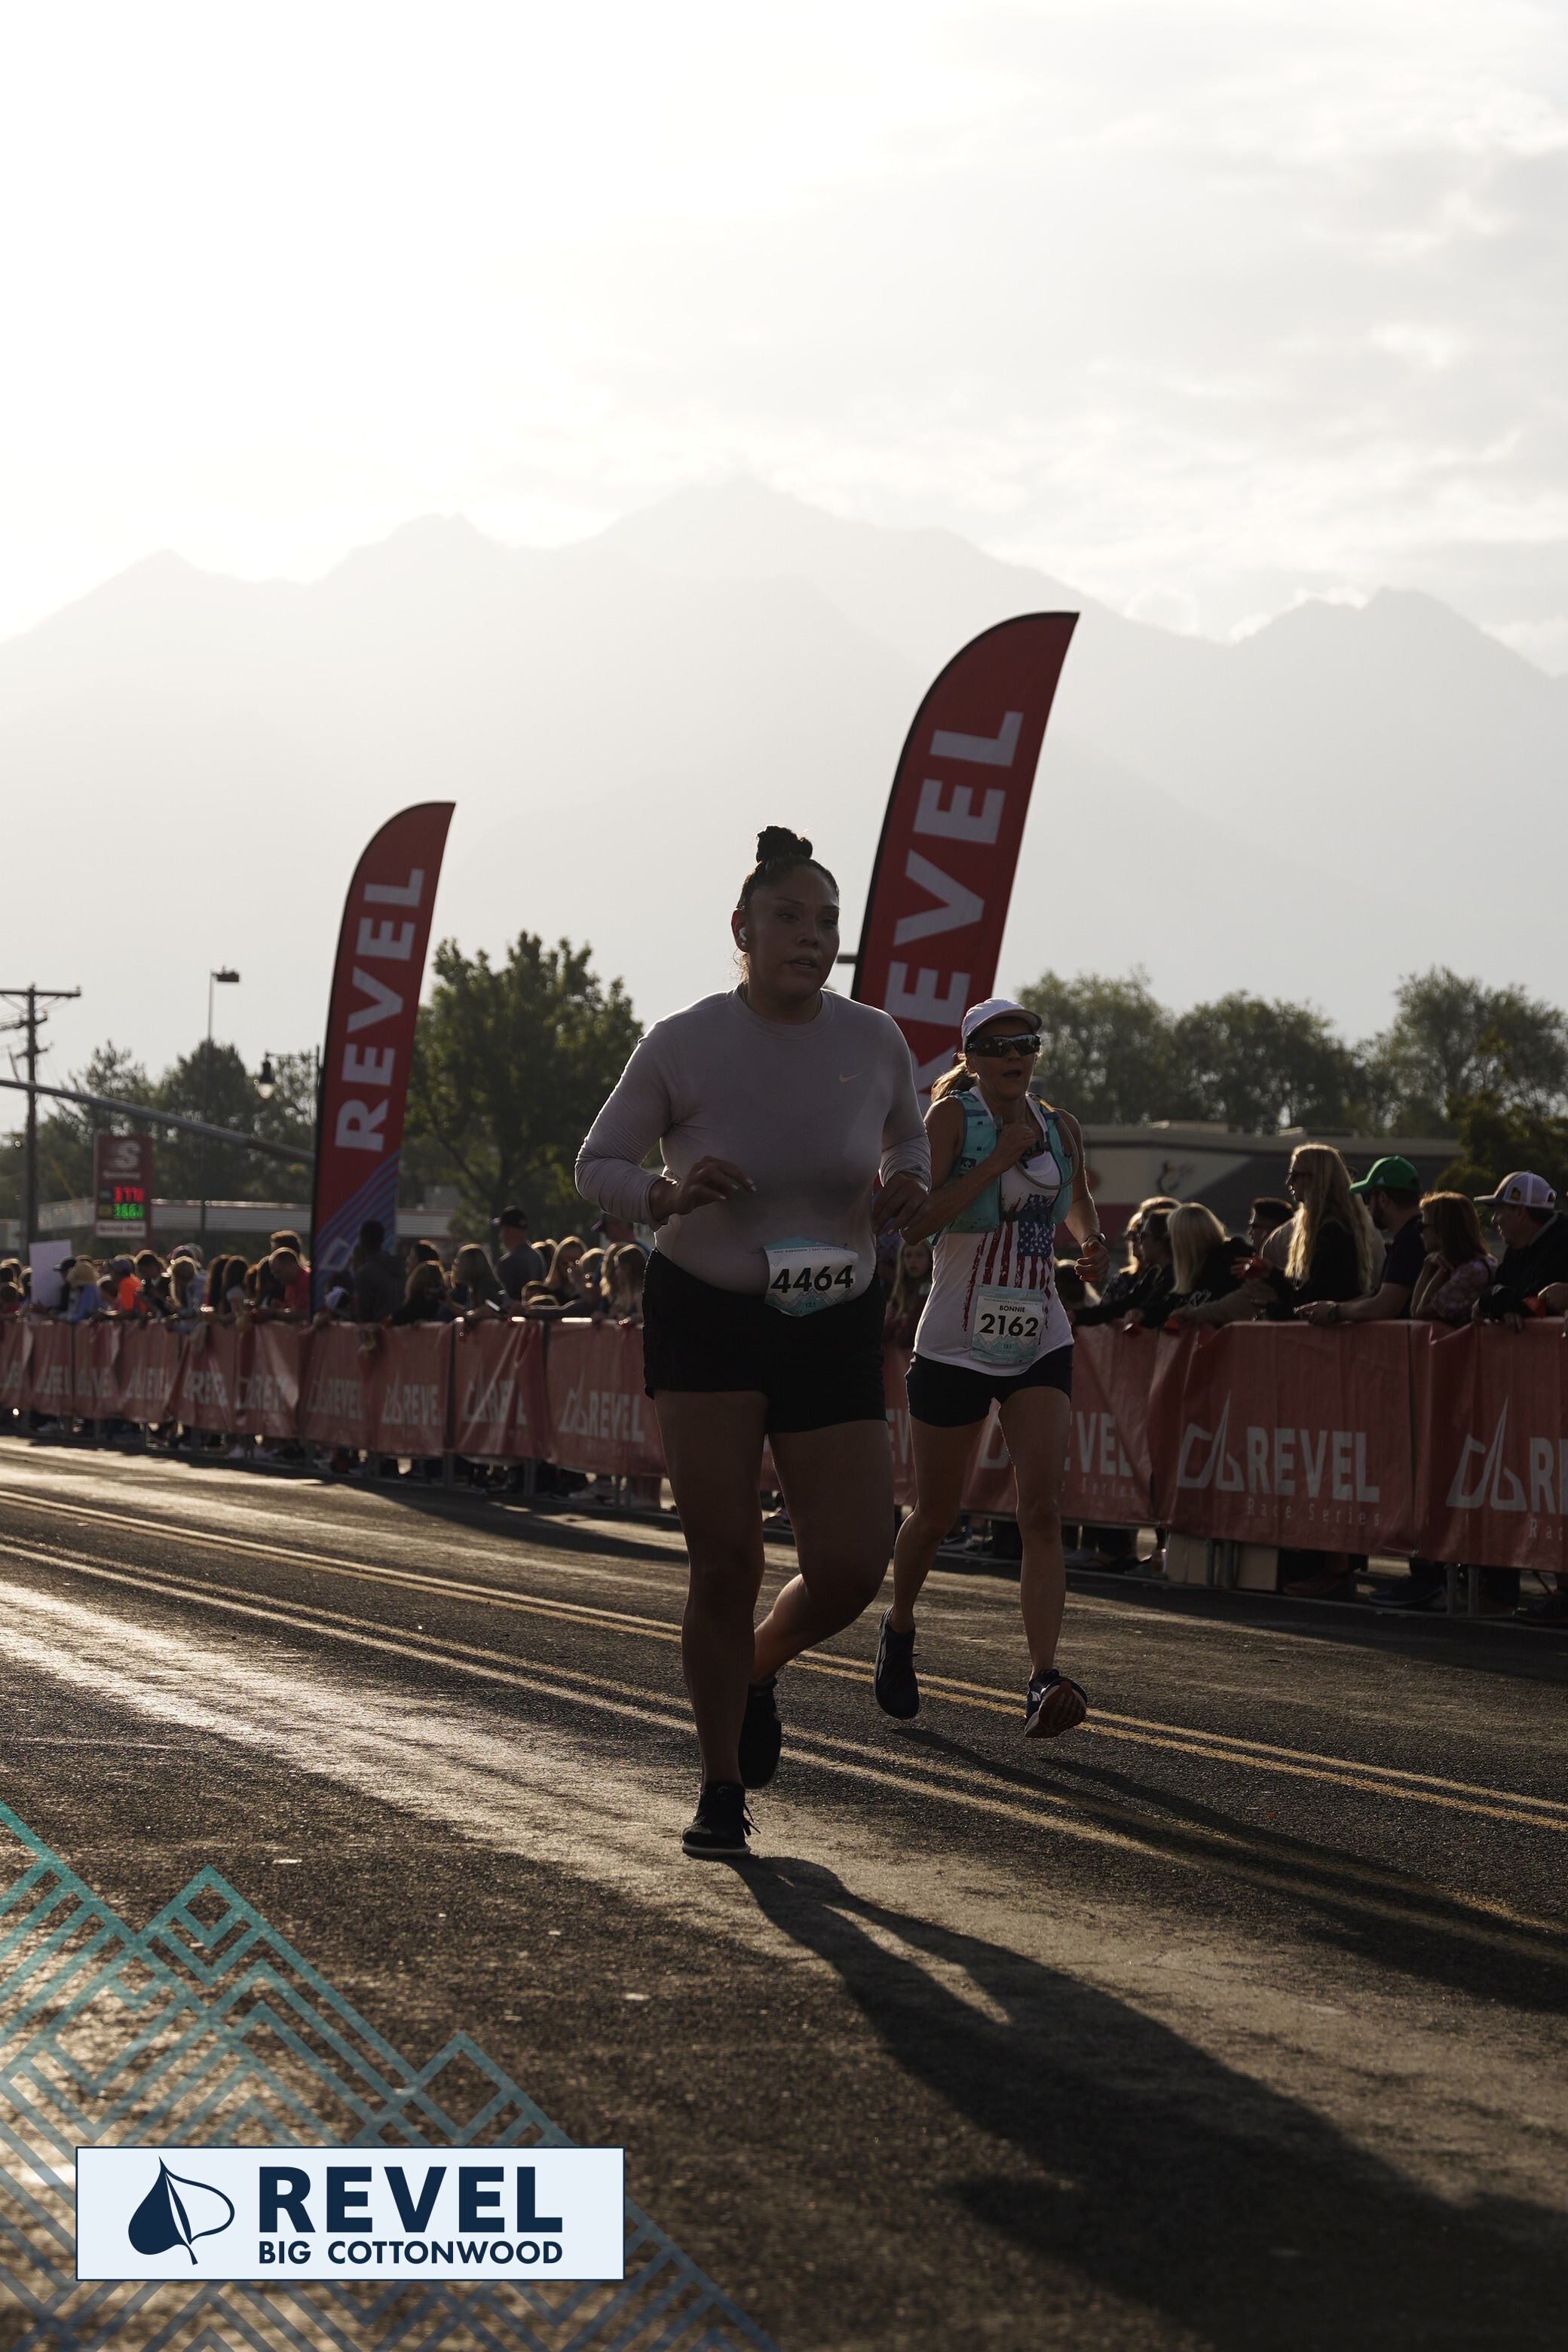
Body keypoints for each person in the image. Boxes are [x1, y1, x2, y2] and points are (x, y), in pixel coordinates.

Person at [575, 824, 929, 1859]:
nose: (812, 937)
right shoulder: (684, 1041)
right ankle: (721, 1785)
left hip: (834, 1318)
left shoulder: (874, 1039)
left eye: (827, 921)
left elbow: (909, 1135)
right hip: (711, 1313)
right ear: (742, 928)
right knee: (725, 1559)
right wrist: (665, 1193)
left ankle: (758, 1666)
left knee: (853, 1565)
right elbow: (597, 1162)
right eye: (788, 917)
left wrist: (907, 1179)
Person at [871, 1000, 1110, 1740]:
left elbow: (1077, 1201)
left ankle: (1042, 1679)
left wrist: (1092, 1243)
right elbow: (915, 1224)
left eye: (1026, 1044)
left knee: (1041, 1510)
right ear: (971, 1057)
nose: (1015, 1056)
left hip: (1040, 1335)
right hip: (954, 1341)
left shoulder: (1059, 1124)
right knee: (936, 1515)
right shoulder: (951, 1119)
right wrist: (999, 1161)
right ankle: (899, 1625)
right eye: (998, 1046)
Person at [1296, 1155, 1426, 1326]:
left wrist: (1335, 1312)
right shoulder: (1420, 1234)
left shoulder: (1409, 1242)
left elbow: (1384, 1306)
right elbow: (1379, 1295)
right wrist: (1331, 1307)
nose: (1367, 1206)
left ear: (1383, 1199)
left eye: (1367, 1196)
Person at [1469, 1172, 1568, 1323]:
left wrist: (1497, 1301)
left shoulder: (1562, 1243)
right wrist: (1505, 1307)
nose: (1494, 1220)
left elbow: (1538, 1306)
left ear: (1521, 1212)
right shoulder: (1518, 1247)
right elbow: (1496, 1290)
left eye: (1498, 1211)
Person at [1410, 1193, 1495, 1325]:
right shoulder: (1470, 1264)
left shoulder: (1471, 1271)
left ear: (1441, 1229)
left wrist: (1428, 1268)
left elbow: (1419, 1313)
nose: (1420, 1232)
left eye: (1422, 1226)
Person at [1165, 1202, 1249, 1314]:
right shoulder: (1200, 1268)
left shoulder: (1227, 1264)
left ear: (1185, 1241)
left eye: (1171, 1237)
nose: (1170, 1243)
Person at [882, 1239, 933, 1352]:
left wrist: (904, 1319)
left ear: (930, 1259)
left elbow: (904, 1338)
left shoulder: (931, 1293)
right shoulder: (901, 1292)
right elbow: (884, 1332)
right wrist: (900, 1321)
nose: (913, 1261)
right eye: (908, 1256)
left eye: (919, 1255)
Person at [351, 1219, 404, 1322]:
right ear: (382, 1239)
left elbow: (364, 1318)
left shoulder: (364, 1275)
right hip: (404, 1329)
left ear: (361, 1242)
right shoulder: (401, 1269)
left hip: (377, 1331)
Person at [495, 1208, 545, 1299]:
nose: (501, 1235)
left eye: (502, 1230)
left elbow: (501, 1299)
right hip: (537, 1306)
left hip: (516, 1308)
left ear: (507, 1230)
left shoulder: (507, 1263)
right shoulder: (537, 1256)